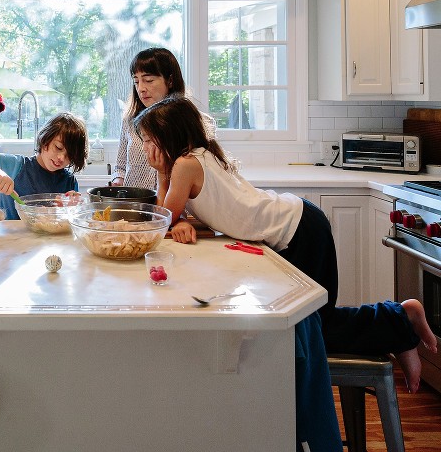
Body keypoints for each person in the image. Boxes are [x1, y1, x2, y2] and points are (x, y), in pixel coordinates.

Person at [134, 95, 438, 451]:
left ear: (167, 137)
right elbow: (201, 215)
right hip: (300, 222)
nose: (146, 148)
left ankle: (400, 320)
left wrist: (162, 176)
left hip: (299, 232)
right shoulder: (201, 155)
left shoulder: (184, 165)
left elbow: (162, 218)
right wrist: (183, 220)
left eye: (149, 140)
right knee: (312, 327)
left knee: (312, 329)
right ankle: (397, 323)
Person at [0, 111, 89, 220]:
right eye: (58, 147)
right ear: (45, 139)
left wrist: (72, 208)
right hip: (11, 235)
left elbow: (69, 223)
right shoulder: (16, 166)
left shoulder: (69, 181)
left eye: (70, 155)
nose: (61, 158)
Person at [111, 47, 185, 190]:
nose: (141, 88)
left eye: (148, 80)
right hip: (134, 201)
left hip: (171, 202)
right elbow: (120, 167)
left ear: (170, 81)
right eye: (136, 82)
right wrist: (118, 180)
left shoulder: (192, 123)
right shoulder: (129, 120)